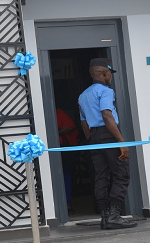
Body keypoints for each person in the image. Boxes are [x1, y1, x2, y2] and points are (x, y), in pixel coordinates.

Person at [78, 57, 136, 230]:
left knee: (101, 176)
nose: (110, 76)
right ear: (104, 73)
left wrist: (92, 139)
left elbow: (84, 123)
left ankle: (105, 216)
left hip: (94, 136)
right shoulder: (105, 91)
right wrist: (121, 141)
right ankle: (114, 216)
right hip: (109, 134)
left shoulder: (83, 95)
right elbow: (106, 114)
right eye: (109, 73)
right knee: (121, 174)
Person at [56, 108, 78, 215]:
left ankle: (67, 204)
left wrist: (56, 133)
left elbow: (70, 126)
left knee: (65, 175)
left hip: (62, 149)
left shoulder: (58, 112)